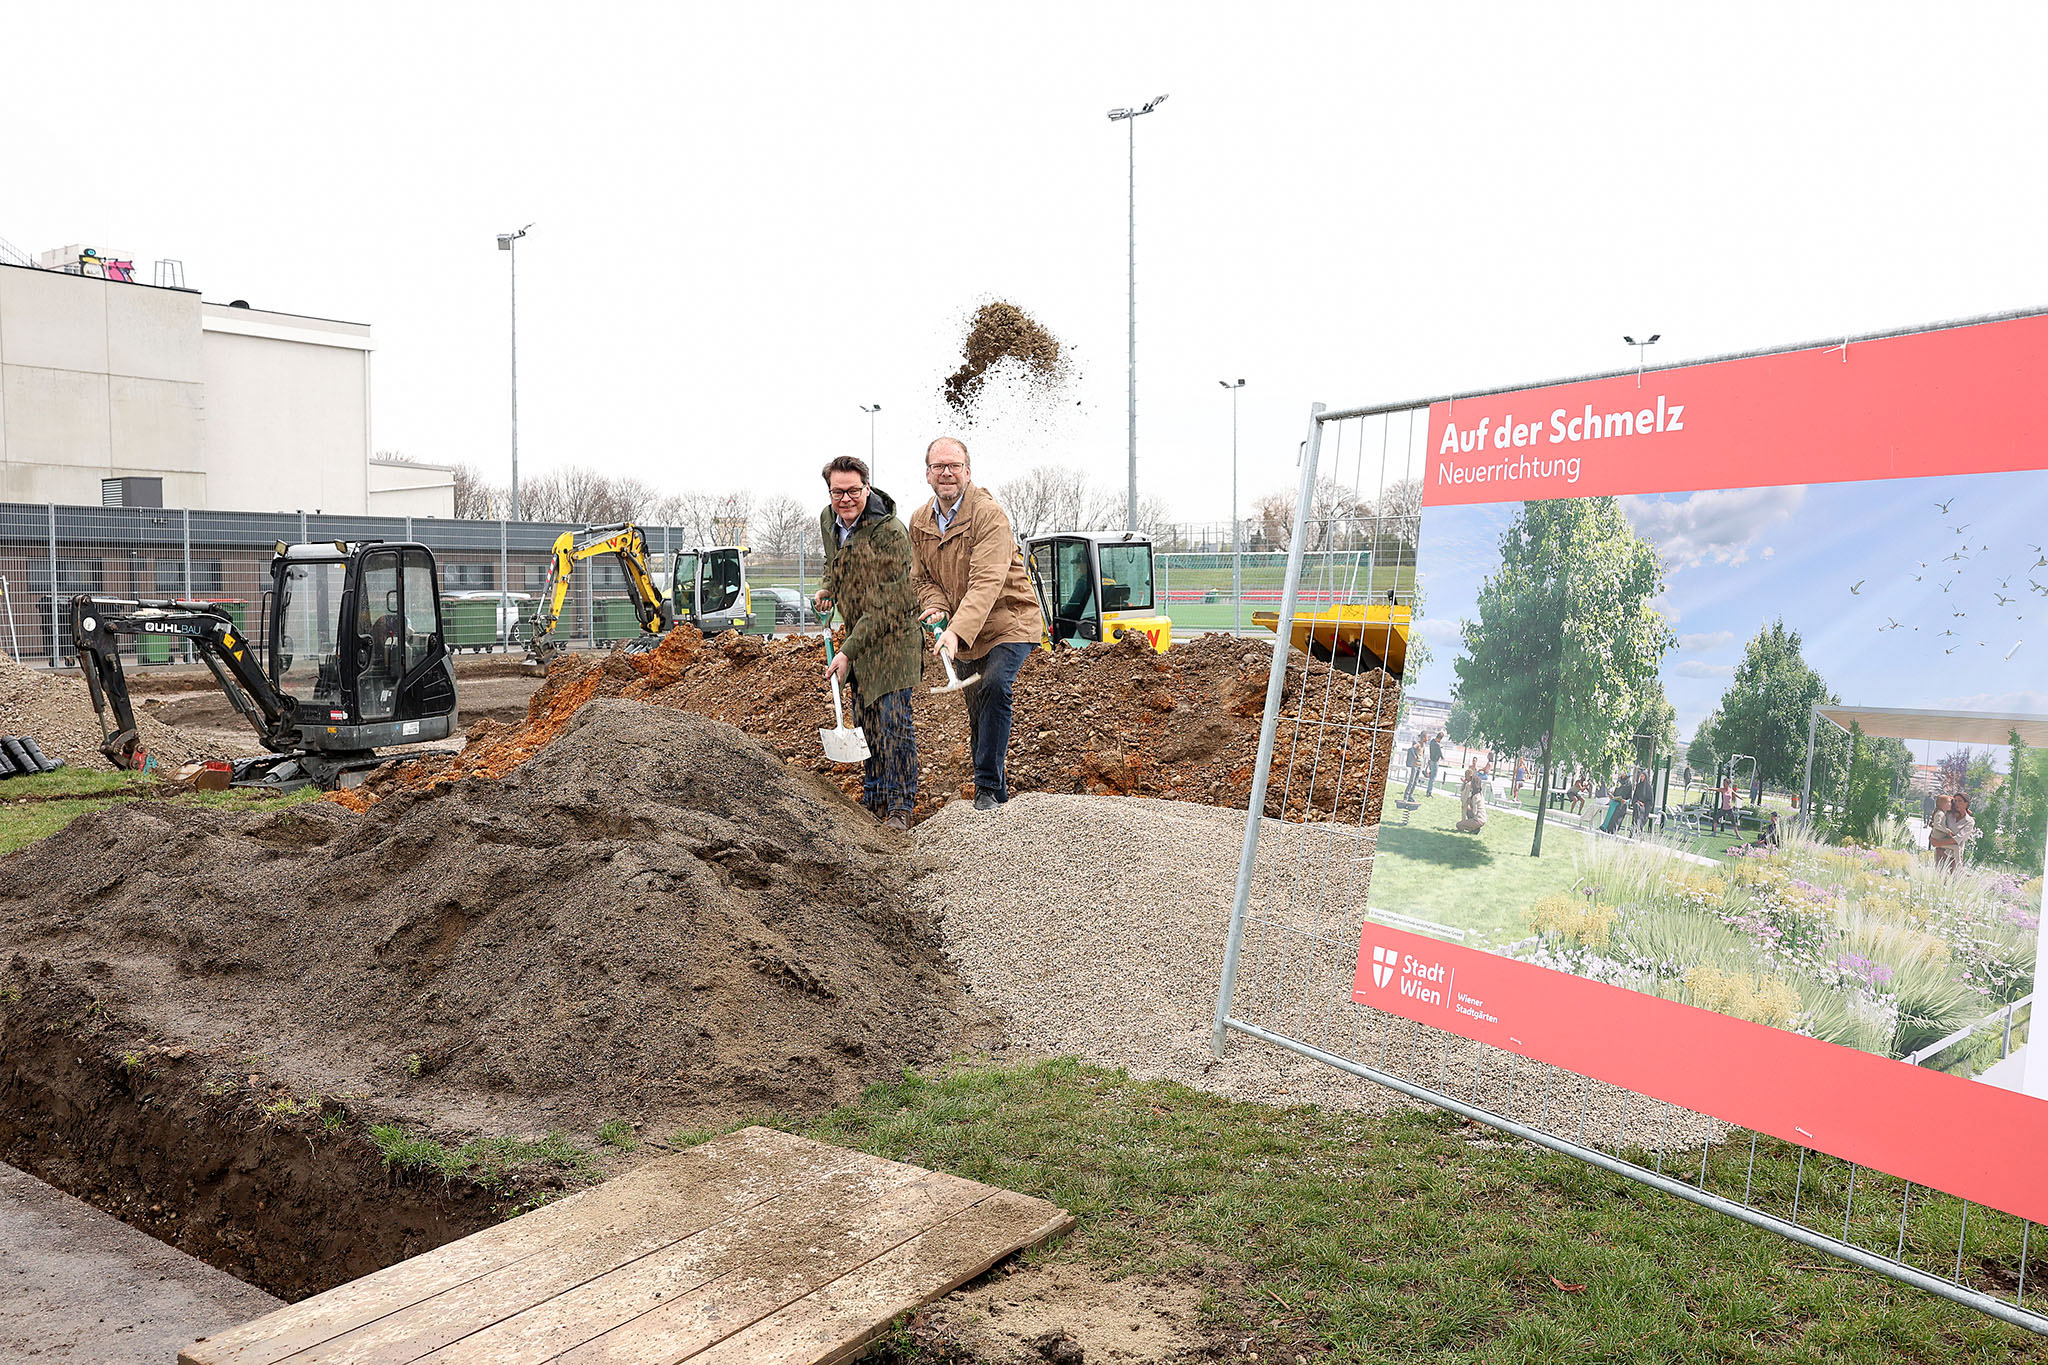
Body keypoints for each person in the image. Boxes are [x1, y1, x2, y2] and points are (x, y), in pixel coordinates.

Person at [908, 437, 1046, 811]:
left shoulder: (989, 515)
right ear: (928, 474)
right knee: (976, 710)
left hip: (1008, 619)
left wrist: (954, 631)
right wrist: (936, 609)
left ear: (968, 472)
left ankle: (985, 788)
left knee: (995, 684)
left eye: (954, 466)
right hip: (964, 630)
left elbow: (986, 583)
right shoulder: (919, 522)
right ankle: (996, 797)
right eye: (939, 466)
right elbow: (922, 580)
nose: (947, 472)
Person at [813, 455, 922, 831]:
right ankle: (873, 797)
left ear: (867, 488)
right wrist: (829, 588)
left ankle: (900, 805)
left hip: (894, 636)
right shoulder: (829, 520)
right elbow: (834, 563)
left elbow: (885, 603)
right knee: (865, 722)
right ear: (829, 491)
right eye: (837, 491)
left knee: (892, 721)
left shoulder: (890, 533)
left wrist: (846, 651)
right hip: (859, 636)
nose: (845, 499)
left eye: (853, 491)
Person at [1455, 761, 1488, 832]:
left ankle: (1474, 828)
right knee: (1467, 810)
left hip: (1479, 819)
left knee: (1458, 825)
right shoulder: (1480, 794)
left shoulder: (1475, 797)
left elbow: (1475, 811)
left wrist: (1470, 804)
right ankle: (1473, 827)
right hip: (1483, 818)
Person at [1402, 734, 1424, 803]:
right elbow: (1411, 749)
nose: (1427, 739)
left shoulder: (1424, 745)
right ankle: (1406, 796)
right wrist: (1415, 756)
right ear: (1423, 737)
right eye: (1426, 737)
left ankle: (1410, 796)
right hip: (1415, 765)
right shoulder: (1418, 744)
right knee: (1411, 781)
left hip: (1419, 765)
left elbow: (1422, 754)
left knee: (1415, 782)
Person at [1426, 731, 1444, 797]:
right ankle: (1429, 792)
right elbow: (1440, 753)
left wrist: (1439, 746)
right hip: (1435, 762)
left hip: (1431, 760)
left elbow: (1436, 747)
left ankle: (1428, 790)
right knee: (1433, 778)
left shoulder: (1432, 742)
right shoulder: (1437, 745)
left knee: (1431, 777)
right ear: (1440, 739)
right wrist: (1442, 757)